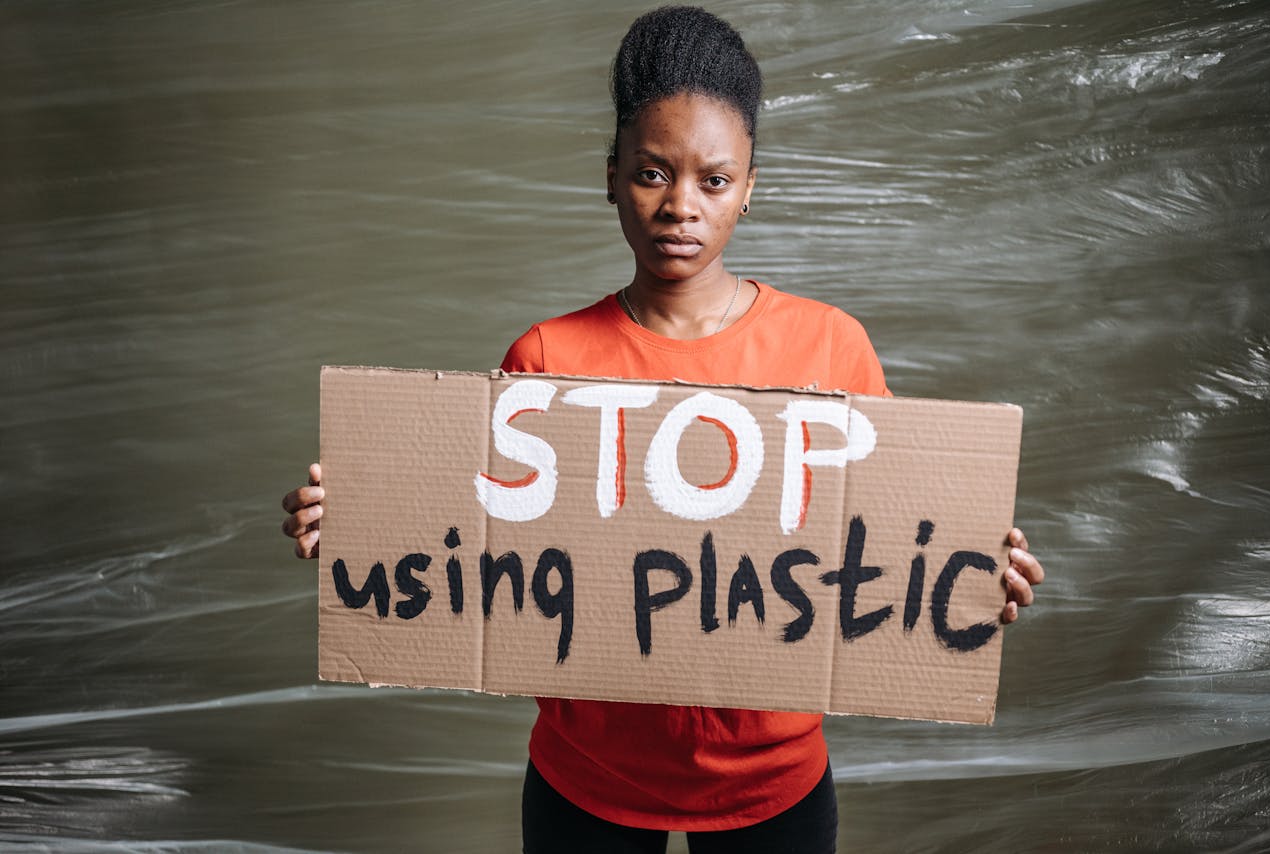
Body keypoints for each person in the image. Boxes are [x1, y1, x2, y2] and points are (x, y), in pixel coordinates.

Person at [281, 7, 1046, 852]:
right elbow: (486, 531)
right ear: (610, 176)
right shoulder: (547, 356)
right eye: (652, 173)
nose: (681, 205)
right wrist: (365, 526)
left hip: (775, 785)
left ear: (750, 186)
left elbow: (893, 539)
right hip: (586, 781)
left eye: (713, 181)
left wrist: (971, 573)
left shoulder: (831, 346)